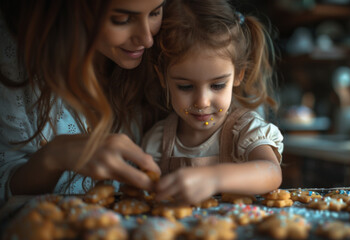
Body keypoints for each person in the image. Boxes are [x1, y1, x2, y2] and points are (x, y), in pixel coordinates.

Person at [0, 0, 167, 203]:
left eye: (155, 12)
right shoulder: (13, 59)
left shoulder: (166, 50)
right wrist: (54, 156)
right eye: (121, 19)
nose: (147, 39)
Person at [141, 0, 284, 205]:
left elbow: (271, 173)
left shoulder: (244, 129)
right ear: (163, 77)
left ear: (238, 75)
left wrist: (214, 178)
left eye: (217, 85)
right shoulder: (158, 140)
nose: (202, 101)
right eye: (185, 87)